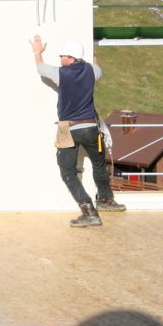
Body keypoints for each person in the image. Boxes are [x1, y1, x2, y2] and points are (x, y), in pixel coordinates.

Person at [31, 35, 125, 227]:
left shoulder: (62, 74)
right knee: (99, 164)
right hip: (91, 127)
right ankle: (106, 200)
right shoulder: (91, 71)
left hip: (69, 129)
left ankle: (89, 211)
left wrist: (37, 52)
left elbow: (41, 69)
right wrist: (94, 54)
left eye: (63, 56)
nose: (60, 59)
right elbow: (98, 68)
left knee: (67, 172)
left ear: (72, 58)